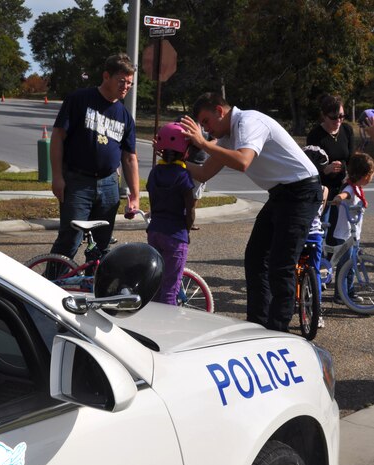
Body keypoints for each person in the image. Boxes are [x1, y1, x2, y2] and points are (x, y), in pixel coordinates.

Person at [181, 92, 322, 333]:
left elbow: (243, 161)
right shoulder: (227, 137)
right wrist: (174, 162)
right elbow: (204, 173)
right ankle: (258, 325)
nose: (205, 129)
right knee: (256, 258)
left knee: (281, 263)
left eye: (206, 121)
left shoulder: (248, 121)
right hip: (280, 194)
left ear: (219, 110)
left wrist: (203, 144)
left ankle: (278, 330)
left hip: (301, 191)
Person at [49, 53, 140, 261]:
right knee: (70, 240)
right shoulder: (78, 100)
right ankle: (50, 286)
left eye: (129, 83)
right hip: (77, 181)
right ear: (106, 76)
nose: (126, 87)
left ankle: (94, 288)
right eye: (122, 81)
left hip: (109, 185)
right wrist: (57, 177)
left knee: (101, 245)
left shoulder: (125, 116)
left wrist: (135, 195)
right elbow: (57, 138)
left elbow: (129, 157)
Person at [146, 122, 196, 305]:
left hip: (155, 231)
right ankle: (166, 329)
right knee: (171, 286)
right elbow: (190, 210)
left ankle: (153, 321)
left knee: (157, 282)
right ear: (186, 151)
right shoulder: (184, 176)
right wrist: (187, 230)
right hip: (175, 234)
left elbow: (153, 202)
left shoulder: (154, 173)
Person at [306, 95, 354, 246]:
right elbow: (310, 165)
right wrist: (325, 169)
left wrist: (344, 168)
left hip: (342, 187)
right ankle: (319, 261)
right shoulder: (315, 135)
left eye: (341, 116)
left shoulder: (346, 130)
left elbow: (351, 158)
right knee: (321, 227)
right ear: (324, 116)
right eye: (334, 118)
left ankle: (336, 264)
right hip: (324, 188)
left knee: (340, 231)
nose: (338, 121)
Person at [331, 152, 374, 304]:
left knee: (351, 264)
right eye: (371, 173)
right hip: (344, 234)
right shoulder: (349, 188)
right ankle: (340, 295)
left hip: (353, 233)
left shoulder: (356, 188)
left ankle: (348, 292)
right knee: (345, 266)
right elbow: (344, 194)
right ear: (364, 175)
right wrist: (338, 198)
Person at [302, 145, 330, 328]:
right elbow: (321, 211)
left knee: (286, 269)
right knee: (315, 273)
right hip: (315, 235)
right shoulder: (324, 189)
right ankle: (317, 313)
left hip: (299, 234)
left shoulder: (293, 187)